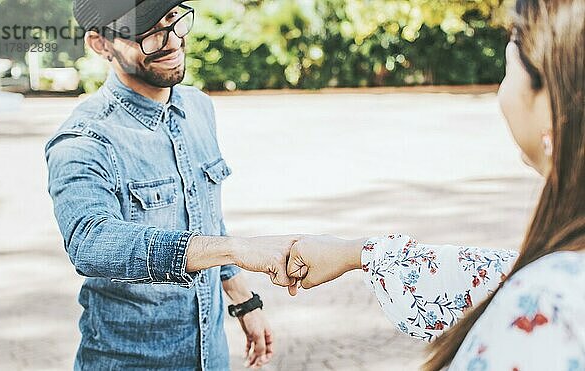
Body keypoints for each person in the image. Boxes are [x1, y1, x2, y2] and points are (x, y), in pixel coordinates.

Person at [284, 0, 585, 369]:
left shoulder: (544, 309)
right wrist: (356, 254)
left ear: (550, 89)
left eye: (509, 63)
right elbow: (488, 275)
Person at [45, 1, 296, 369]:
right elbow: (90, 241)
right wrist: (231, 249)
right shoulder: (83, 140)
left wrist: (244, 302)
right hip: (130, 360)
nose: (171, 41)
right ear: (100, 45)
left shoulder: (198, 107)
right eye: (146, 32)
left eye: (172, 20)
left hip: (212, 356)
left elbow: (207, 219)